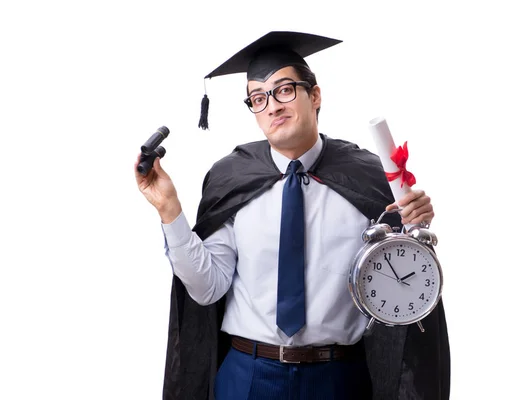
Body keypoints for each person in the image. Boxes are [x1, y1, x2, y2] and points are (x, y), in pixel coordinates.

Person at [135, 31, 450, 400]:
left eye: (284, 90)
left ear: (314, 96)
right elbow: (207, 288)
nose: (272, 105)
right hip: (247, 376)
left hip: (339, 378)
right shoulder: (230, 176)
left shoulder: (369, 176)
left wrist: (414, 230)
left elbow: (402, 282)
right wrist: (169, 210)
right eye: (258, 97)